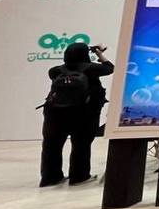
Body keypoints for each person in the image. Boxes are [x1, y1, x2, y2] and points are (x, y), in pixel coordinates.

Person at [40, 42, 114, 186]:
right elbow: (110, 68)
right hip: (83, 114)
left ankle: (50, 178)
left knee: (51, 146)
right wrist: (99, 54)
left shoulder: (55, 71)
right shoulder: (91, 69)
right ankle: (79, 176)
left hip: (54, 114)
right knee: (81, 145)